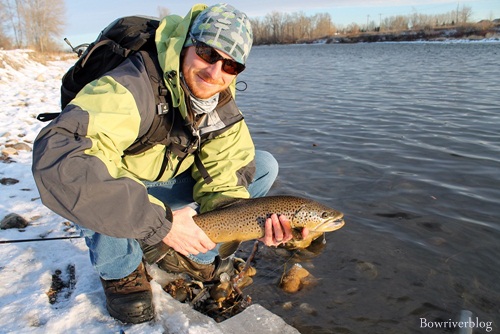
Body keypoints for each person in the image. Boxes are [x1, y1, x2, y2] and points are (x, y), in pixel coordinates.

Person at [32, 3, 303, 324]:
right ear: (186, 45)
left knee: (263, 164)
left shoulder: (221, 106)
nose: (215, 72)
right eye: (207, 53)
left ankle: (190, 252)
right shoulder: (131, 86)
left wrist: (251, 223)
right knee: (91, 173)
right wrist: (161, 223)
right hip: (121, 190)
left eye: (231, 65)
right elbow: (62, 162)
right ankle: (121, 270)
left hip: (161, 183)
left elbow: (225, 180)